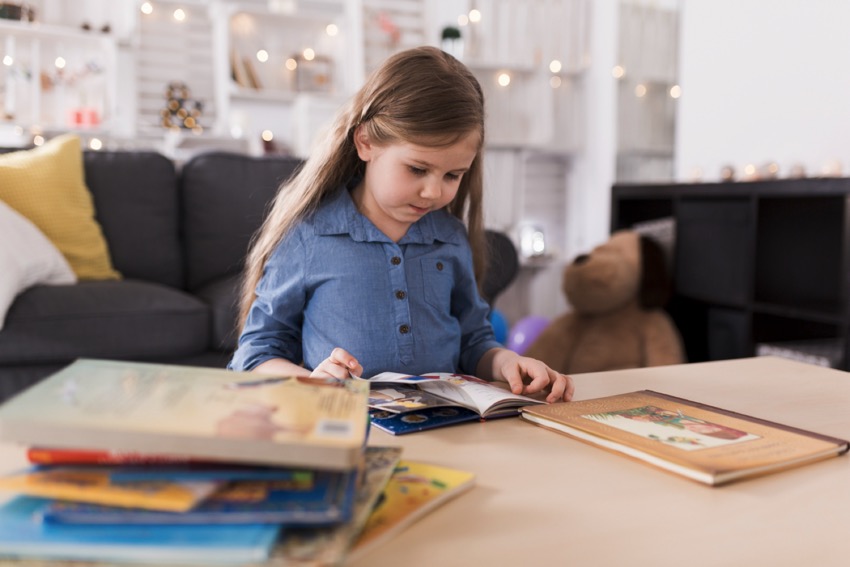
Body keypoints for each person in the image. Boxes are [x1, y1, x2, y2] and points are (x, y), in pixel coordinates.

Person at [229, 46, 574, 403]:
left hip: (447, 430)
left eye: (453, 174)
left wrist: (508, 363)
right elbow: (254, 356)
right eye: (417, 169)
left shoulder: (450, 238)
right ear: (365, 142)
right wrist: (312, 383)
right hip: (350, 432)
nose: (433, 191)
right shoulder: (310, 235)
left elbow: (474, 341)